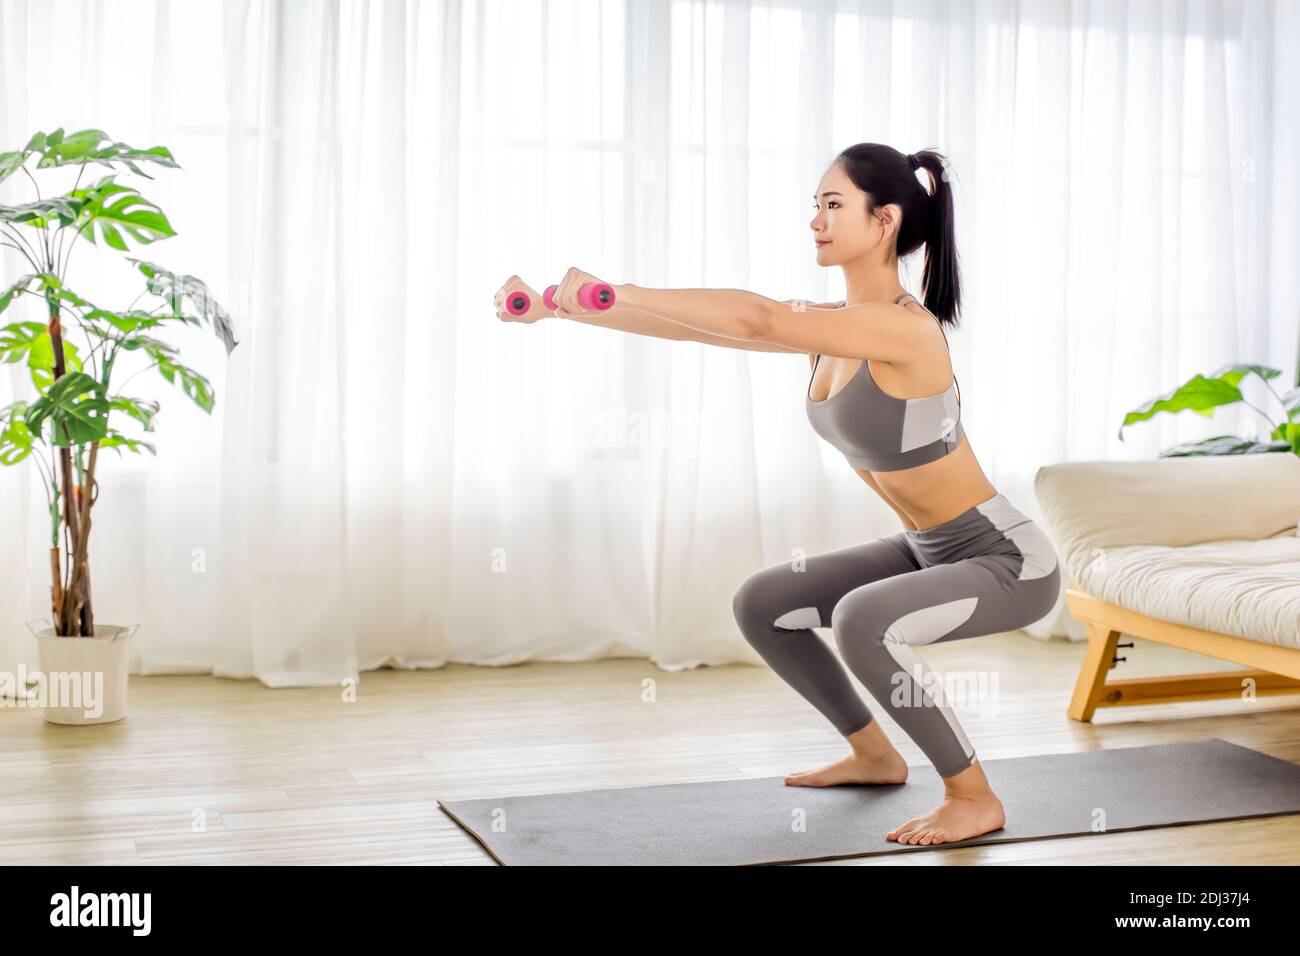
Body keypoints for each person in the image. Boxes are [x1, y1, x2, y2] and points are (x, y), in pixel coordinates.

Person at [493, 143, 1061, 847]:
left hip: (1007, 559)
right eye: (814, 207)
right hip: (927, 548)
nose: (815, 221)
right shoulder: (832, 331)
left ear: (883, 220)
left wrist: (622, 289)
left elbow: (757, 316)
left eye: (832, 205)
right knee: (764, 602)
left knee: (861, 620)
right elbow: (707, 327)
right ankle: (874, 756)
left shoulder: (904, 329)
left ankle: (973, 797)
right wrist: (564, 309)